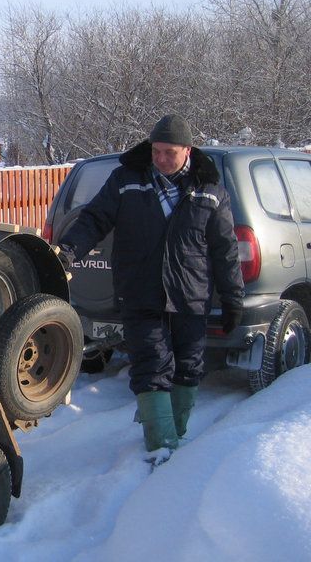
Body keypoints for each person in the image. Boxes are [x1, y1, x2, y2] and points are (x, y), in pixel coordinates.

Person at [57, 114, 244, 453]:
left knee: (189, 367)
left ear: (187, 150)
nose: (160, 159)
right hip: (140, 293)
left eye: (168, 152)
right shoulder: (126, 181)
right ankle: (161, 447)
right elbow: (95, 218)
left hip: (191, 295)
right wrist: (69, 251)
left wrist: (233, 299)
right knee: (151, 367)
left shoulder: (210, 190)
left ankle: (176, 435)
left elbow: (225, 249)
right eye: (156, 151)